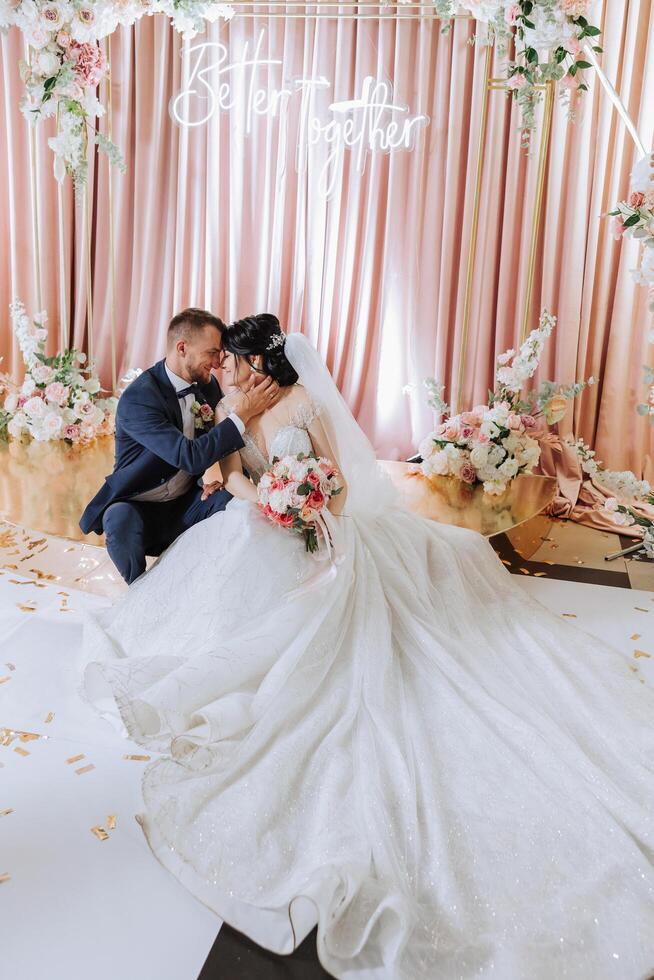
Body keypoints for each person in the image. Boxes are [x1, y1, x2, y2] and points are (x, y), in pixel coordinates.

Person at [81, 315, 654, 980]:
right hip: (262, 522)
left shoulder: (305, 405)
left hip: (320, 528)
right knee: (224, 579)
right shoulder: (229, 406)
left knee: (343, 619)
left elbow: (341, 482)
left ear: (257, 365)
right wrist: (266, 497)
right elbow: (232, 471)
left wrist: (309, 505)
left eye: (229, 361)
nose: (221, 372)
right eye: (217, 362)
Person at [79, 307, 281, 583]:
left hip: (186, 503)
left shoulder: (206, 386)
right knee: (118, 519)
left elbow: (225, 445)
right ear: (182, 348)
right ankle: (139, 594)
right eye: (212, 352)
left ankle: (213, 586)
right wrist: (242, 414)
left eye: (221, 353)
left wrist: (219, 480)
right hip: (139, 508)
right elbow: (188, 456)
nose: (218, 361)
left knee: (233, 502)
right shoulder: (140, 398)